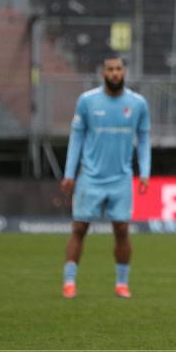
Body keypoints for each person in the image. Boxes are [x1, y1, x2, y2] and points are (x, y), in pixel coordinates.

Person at [60, 55, 151, 299]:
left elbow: (143, 139)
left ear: (124, 72)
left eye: (118, 69)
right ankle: (69, 282)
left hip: (121, 178)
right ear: (103, 73)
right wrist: (69, 174)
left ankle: (122, 283)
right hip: (90, 176)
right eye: (110, 69)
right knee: (79, 227)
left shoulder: (137, 103)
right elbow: (76, 138)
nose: (114, 73)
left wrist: (145, 171)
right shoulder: (87, 101)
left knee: (122, 229)